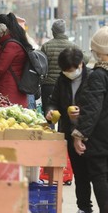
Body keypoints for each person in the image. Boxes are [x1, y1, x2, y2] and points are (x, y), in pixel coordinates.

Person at [46, 48, 93, 213]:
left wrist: (84, 111)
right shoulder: (62, 79)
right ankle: (84, 208)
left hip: (92, 133)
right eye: (64, 71)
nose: (68, 74)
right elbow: (53, 101)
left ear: (80, 64)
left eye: (70, 71)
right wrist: (51, 111)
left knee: (97, 174)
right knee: (80, 174)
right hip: (70, 131)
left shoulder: (93, 78)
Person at [72, 26, 108, 213]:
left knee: (100, 176)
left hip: (101, 139)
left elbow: (93, 109)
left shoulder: (99, 76)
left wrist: (80, 134)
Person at [40, 19, 88, 114]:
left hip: (48, 85)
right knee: (66, 112)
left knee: (49, 113)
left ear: (53, 31)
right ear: (64, 31)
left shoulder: (46, 46)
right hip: (67, 84)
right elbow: (85, 59)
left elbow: (41, 65)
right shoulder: (73, 46)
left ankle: (50, 128)